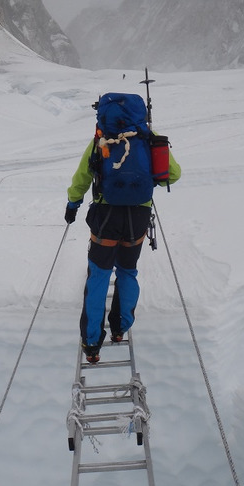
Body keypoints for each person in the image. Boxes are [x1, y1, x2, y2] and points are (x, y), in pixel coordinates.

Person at [64, 135, 181, 363]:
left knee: (99, 275)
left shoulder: (102, 137)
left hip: (106, 214)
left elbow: (83, 175)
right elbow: (173, 175)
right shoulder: (149, 137)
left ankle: (91, 342)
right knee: (127, 271)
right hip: (138, 215)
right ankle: (119, 329)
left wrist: (73, 202)